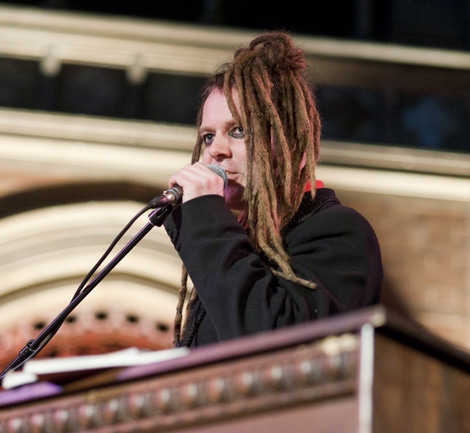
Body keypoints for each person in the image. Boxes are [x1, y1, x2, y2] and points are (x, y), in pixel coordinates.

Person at [163, 31, 383, 348]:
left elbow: (272, 342)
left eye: (237, 130)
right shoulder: (236, 249)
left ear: (289, 142)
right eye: (208, 136)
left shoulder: (339, 233)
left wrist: (206, 220)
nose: (215, 151)